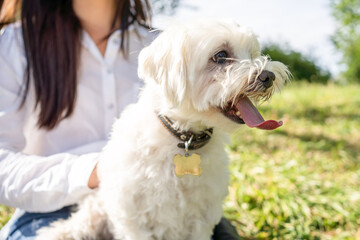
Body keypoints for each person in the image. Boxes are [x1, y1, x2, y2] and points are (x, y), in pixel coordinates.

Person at [0, 0, 240, 239]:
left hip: (170, 211)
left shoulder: (168, 47)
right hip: (52, 211)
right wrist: (97, 170)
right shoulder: (16, 44)